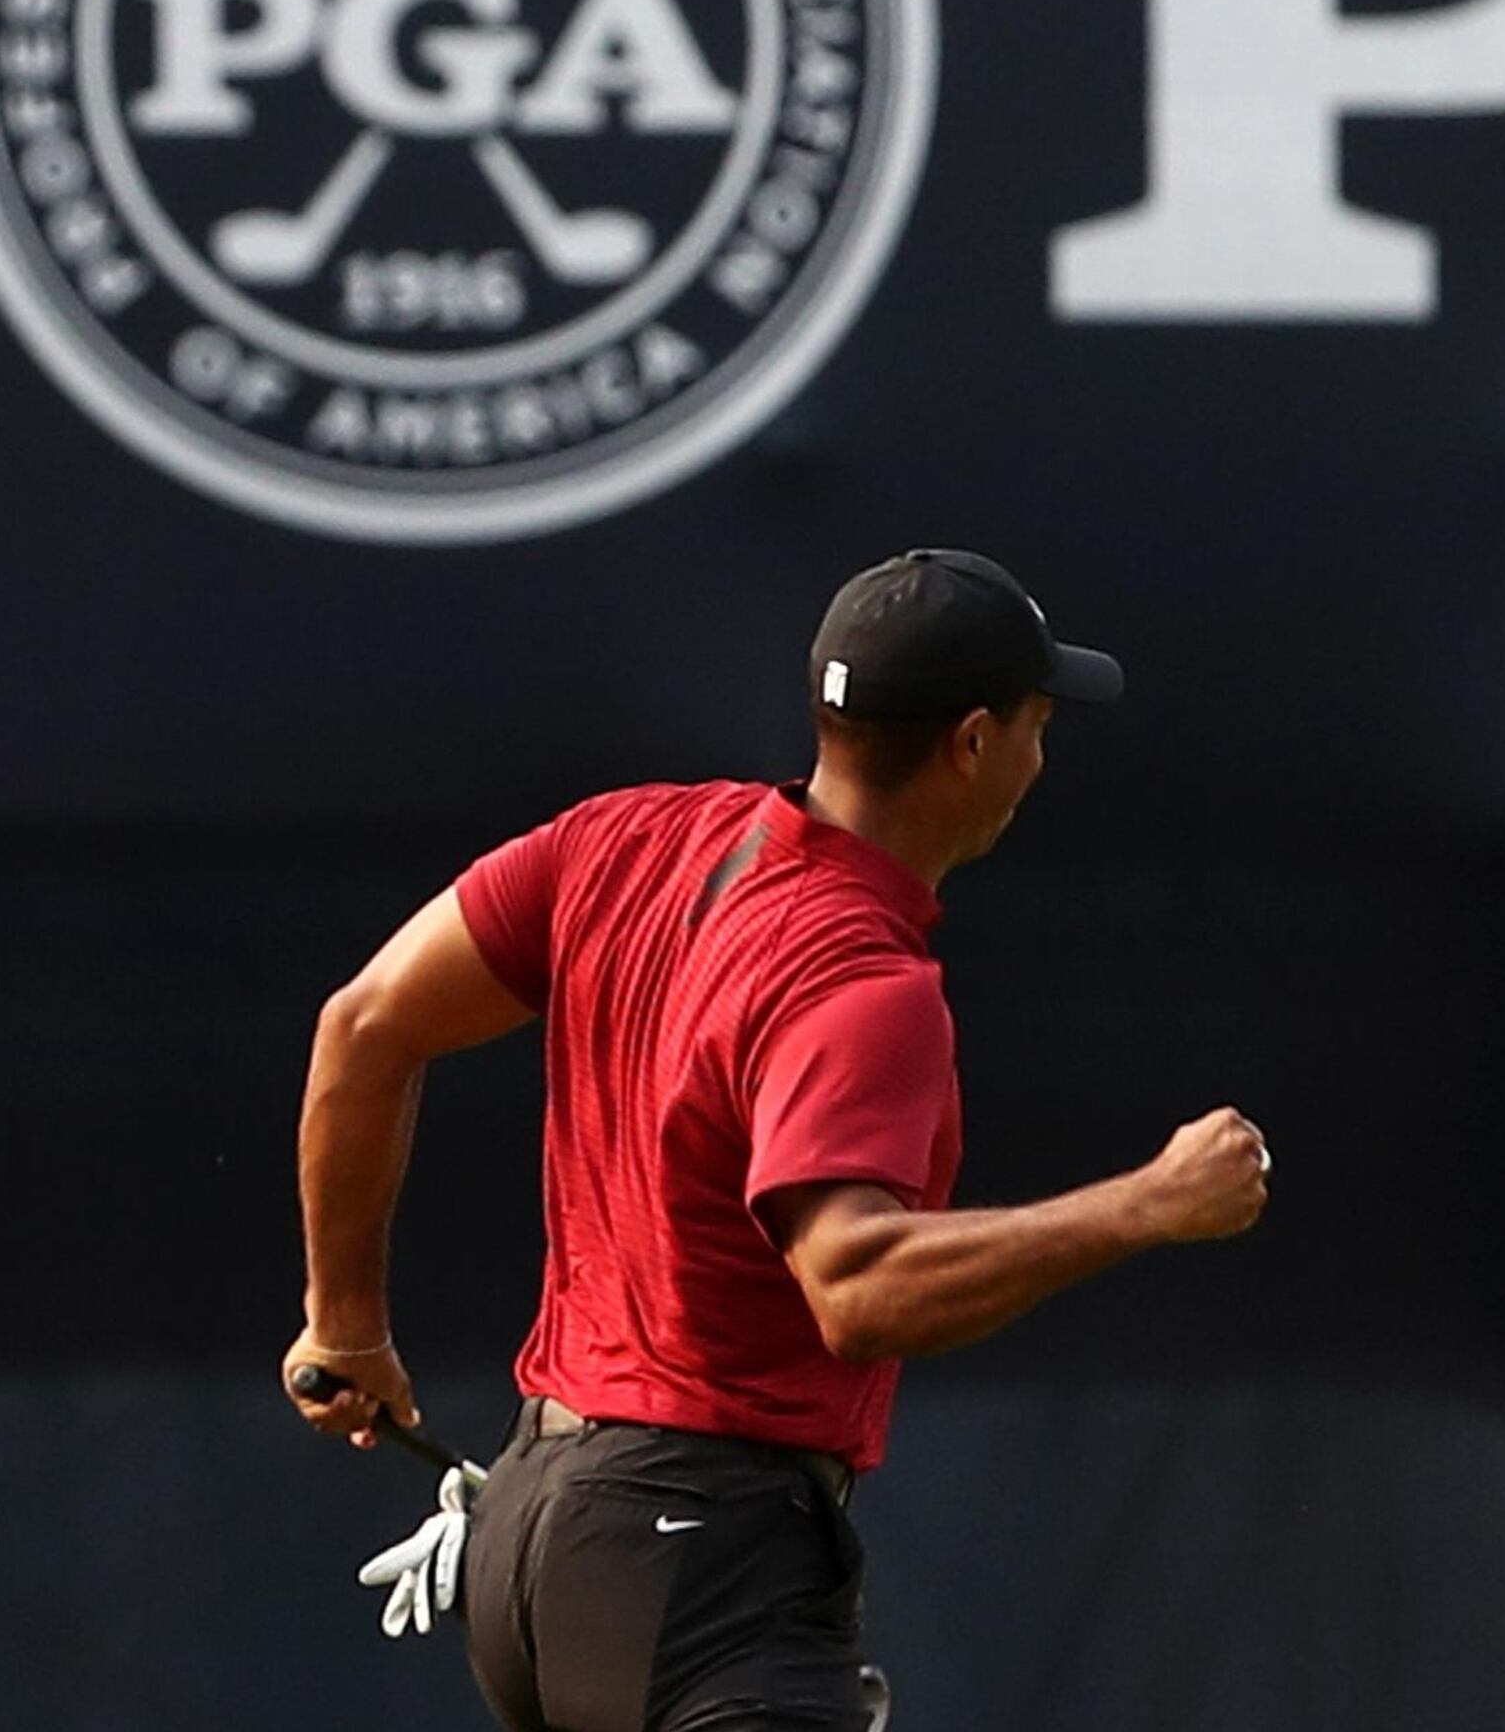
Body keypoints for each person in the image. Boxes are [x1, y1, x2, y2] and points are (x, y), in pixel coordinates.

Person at [282, 547, 1273, 1732]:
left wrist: (345, 1323)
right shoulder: (865, 977)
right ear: (972, 742)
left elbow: (366, 1024)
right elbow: (855, 1288)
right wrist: (1148, 1203)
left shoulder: (625, 843)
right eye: (1036, 721)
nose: (1038, 755)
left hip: (540, 1544)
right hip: (694, 1555)